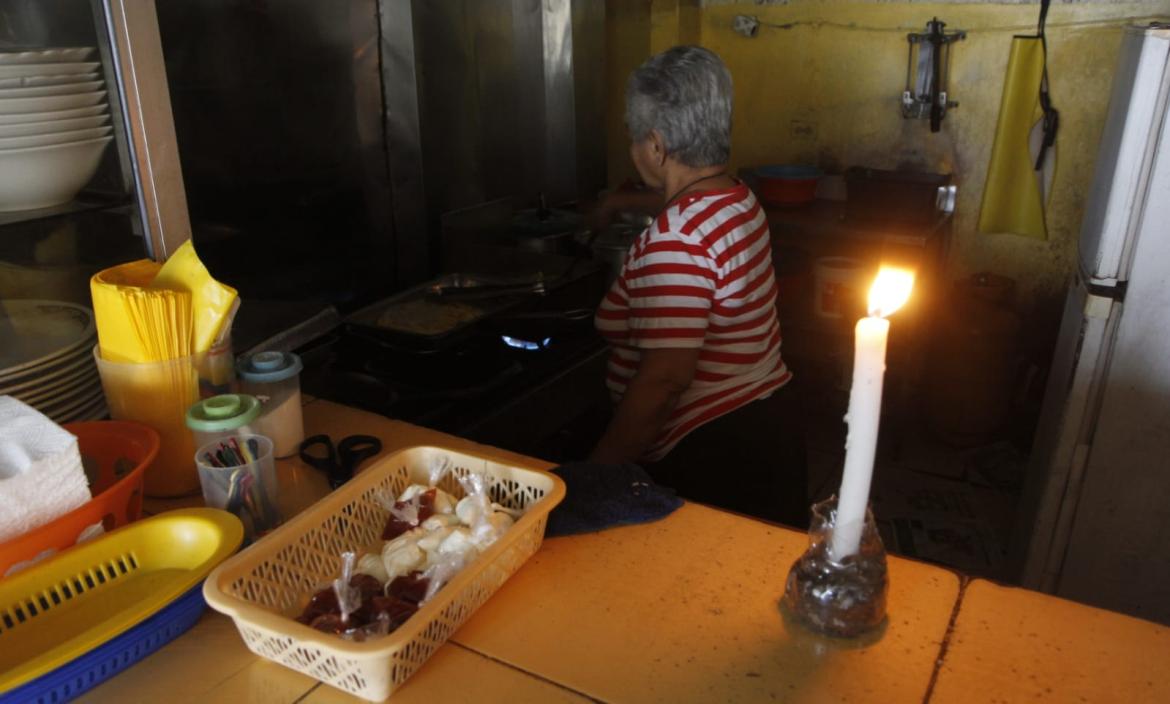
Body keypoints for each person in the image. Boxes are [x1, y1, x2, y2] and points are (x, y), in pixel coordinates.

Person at [589, 45, 807, 528]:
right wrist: (622, 200)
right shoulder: (737, 196)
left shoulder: (676, 239)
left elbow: (664, 381)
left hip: (714, 457)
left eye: (633, 139)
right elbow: (681, 204)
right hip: (765, 427)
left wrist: (594, 475)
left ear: (656, 146)